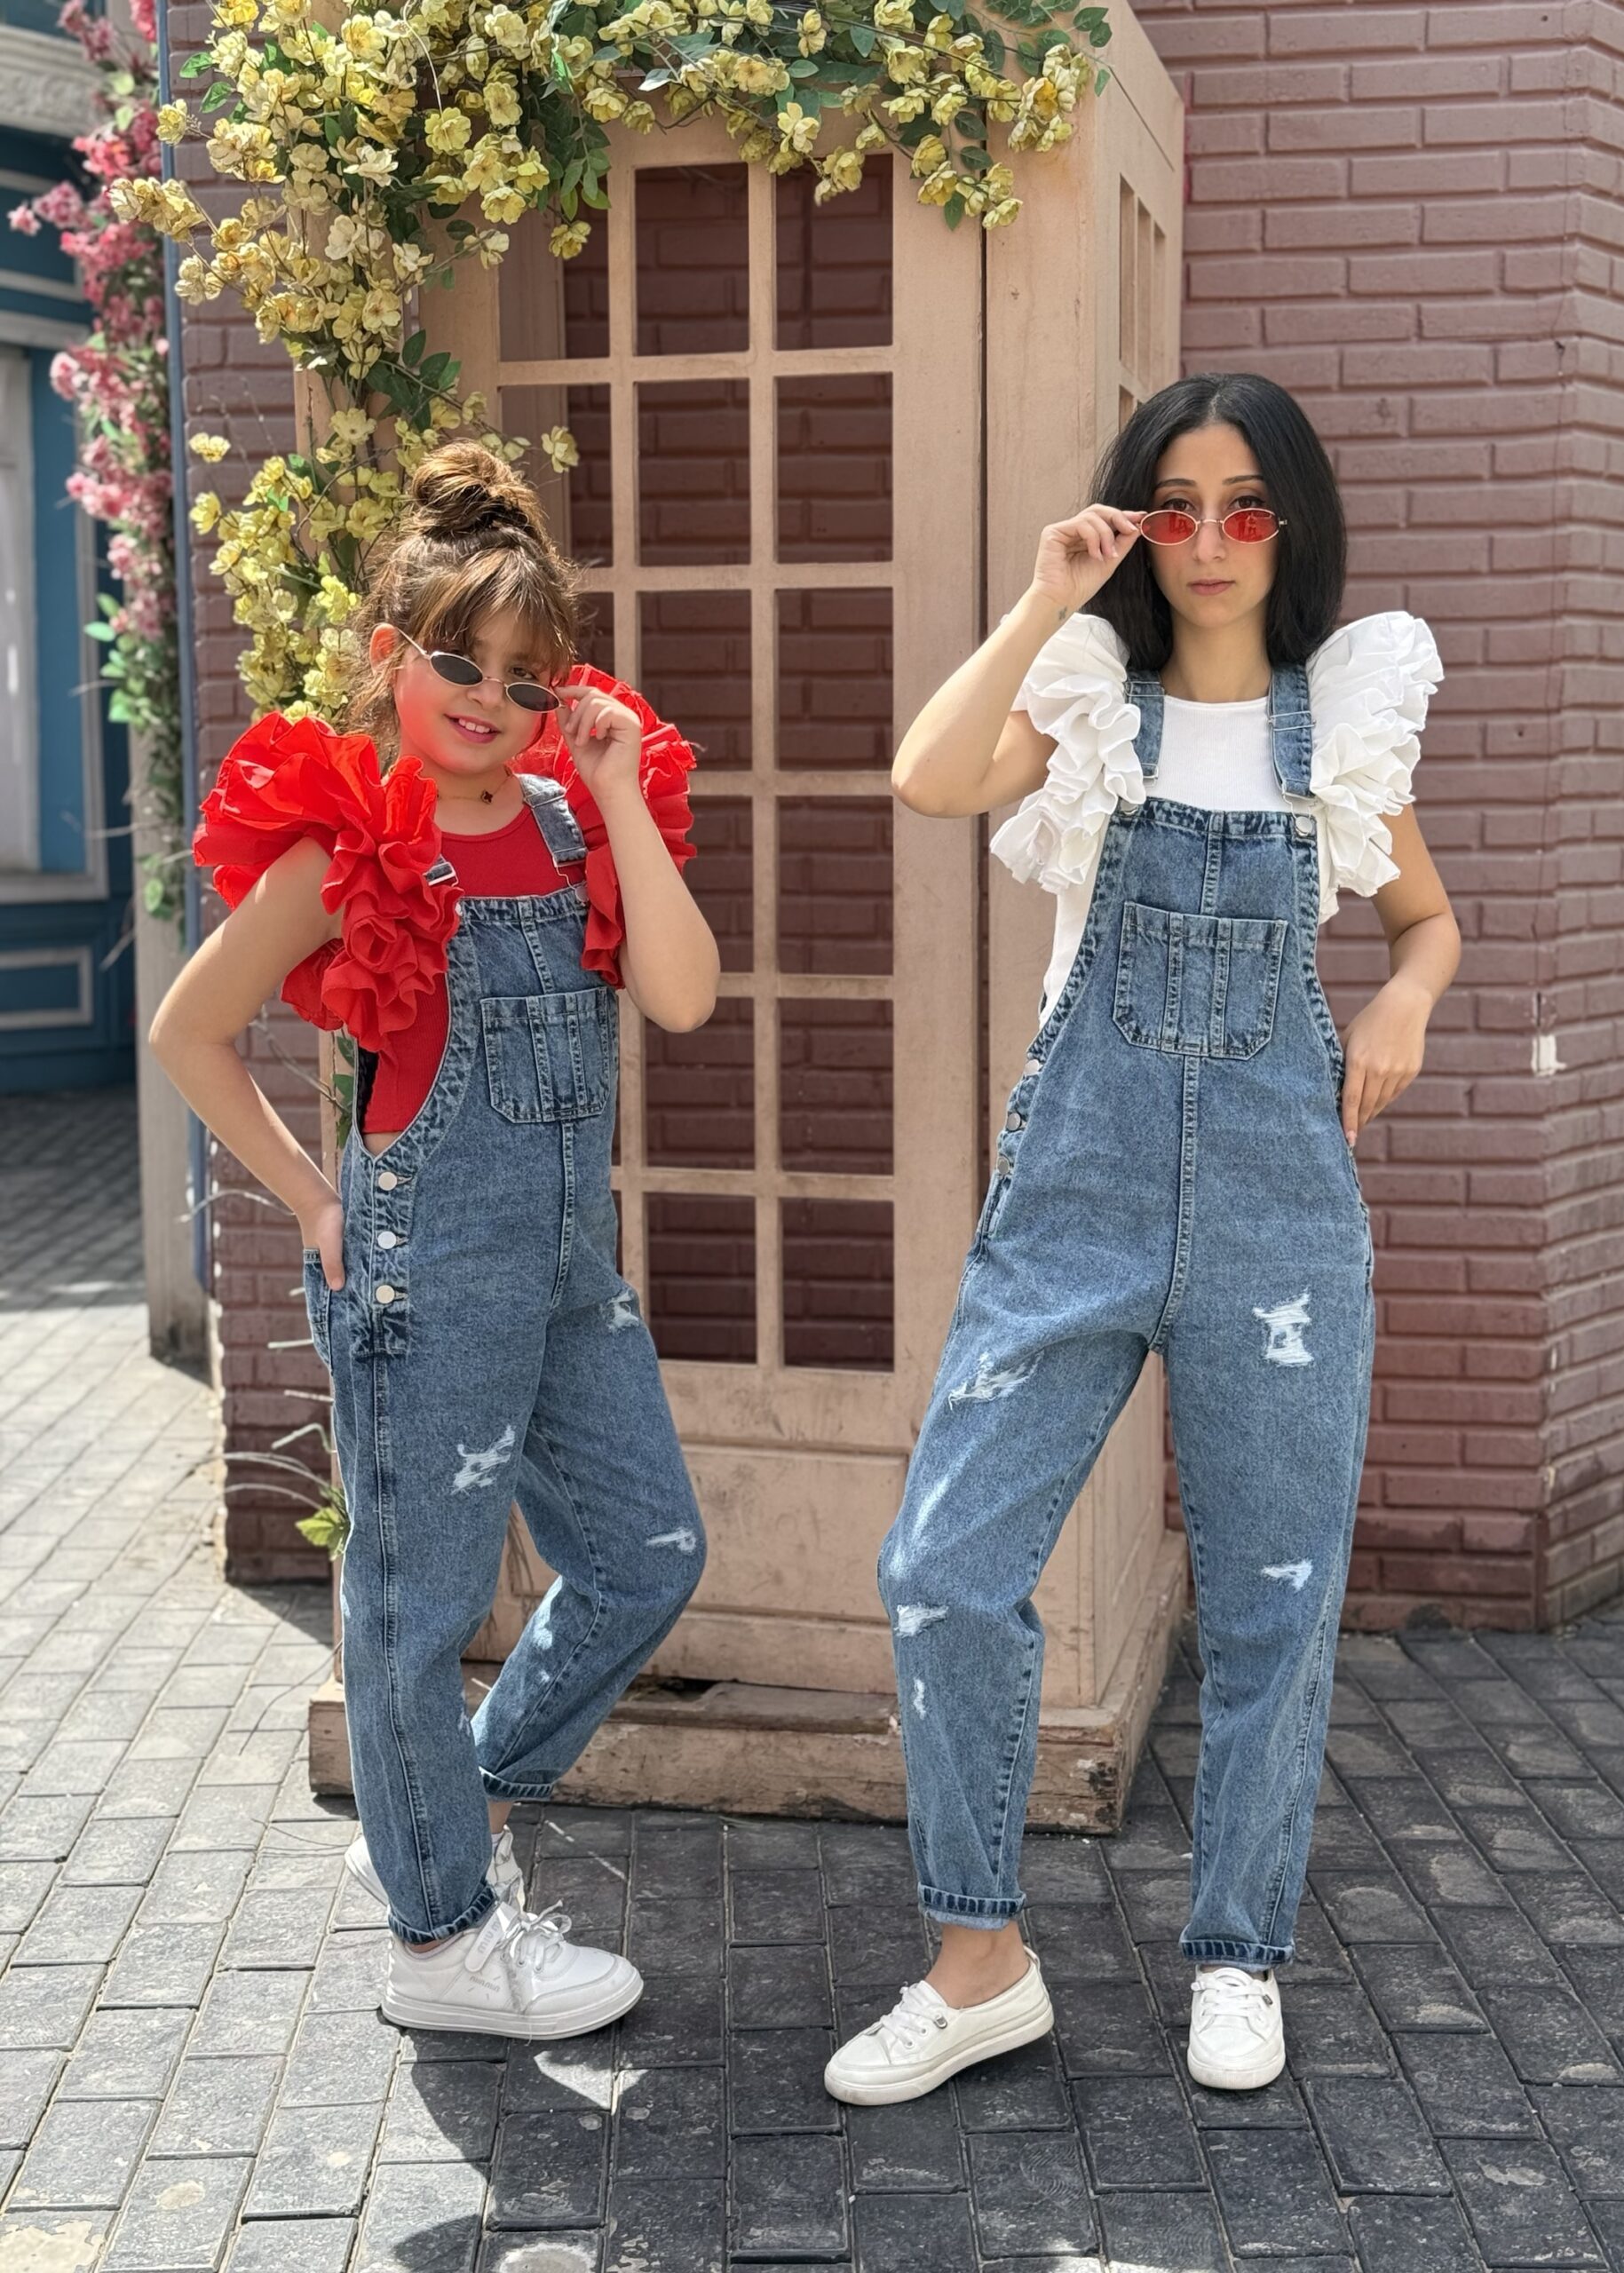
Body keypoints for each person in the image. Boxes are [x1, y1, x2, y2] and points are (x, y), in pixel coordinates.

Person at [824, 373, 1460, 2106]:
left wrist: (1403, 997)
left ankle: (1239, 1952)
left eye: (1246, 505)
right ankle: (979, 1962)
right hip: (1077, 1193)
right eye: (1176, 506)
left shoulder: (1338, 731)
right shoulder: (1092, 707)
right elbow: (926, 776)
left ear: (1292, 527)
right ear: (1139, 525)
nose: (1210, 539)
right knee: (943, 1566)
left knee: (1273, 1593)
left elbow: (1425, 920)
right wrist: (1048, 594)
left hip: (1278, 1211)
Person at [152, 441, 719, 2038]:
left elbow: (682, 996)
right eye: (458, 660)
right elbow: (190, 1032)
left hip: (571, 1280)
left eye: (525, 676)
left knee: (648, 1557)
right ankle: (441, 1945)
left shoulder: (573, 820)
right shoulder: (354, 847)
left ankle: (445, 1813)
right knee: (414, 1615)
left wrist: (620, 789)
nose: (487, 697)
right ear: (392, 653)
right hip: (424, 1282)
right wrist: (316, 1200)